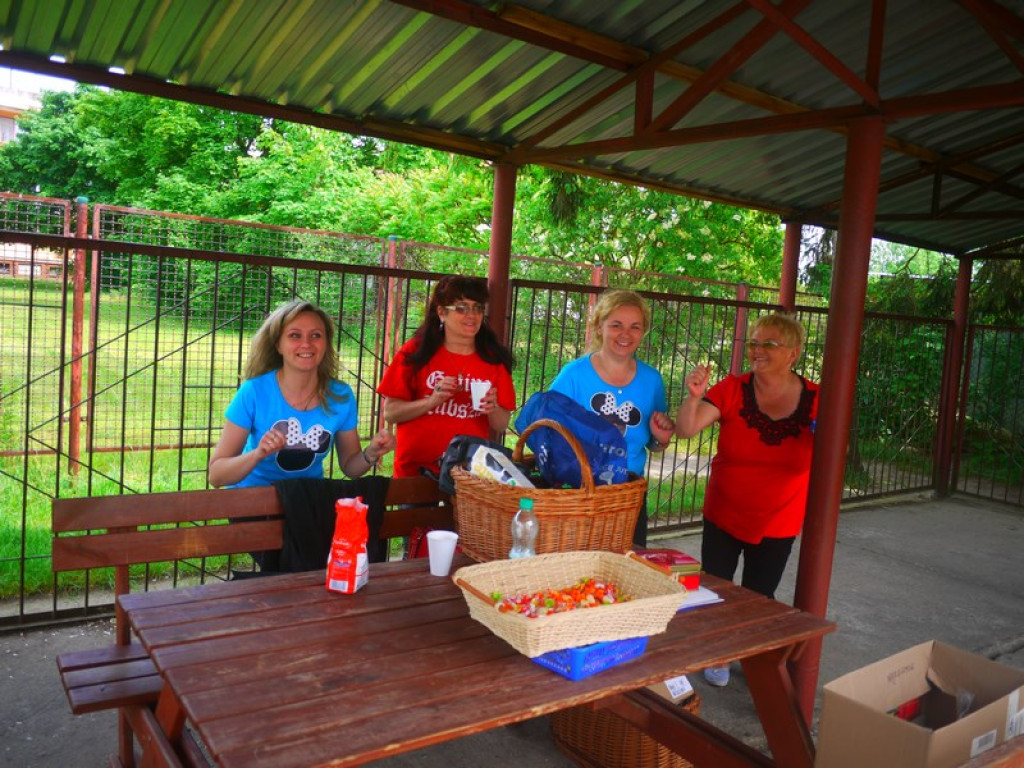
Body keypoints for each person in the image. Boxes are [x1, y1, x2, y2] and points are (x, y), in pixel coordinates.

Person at [674, 312, 818, 687]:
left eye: (769, 343)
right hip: (724, 510)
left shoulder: (818, 398)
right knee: (717, 586)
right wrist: (692, 397)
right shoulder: (734, 388)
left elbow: (836, 451)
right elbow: (687, 429)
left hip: (779, 519)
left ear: (793, 354)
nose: (757, 350)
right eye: (754, 342)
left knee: (759, 596)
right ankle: (718, 653)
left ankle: (750, 656)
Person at [208, 301, 395, 488]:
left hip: (306, 501)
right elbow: (216, 475)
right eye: (295, 335)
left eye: (316, 335)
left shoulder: (341, 395)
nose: (306, 344)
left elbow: (349, 467)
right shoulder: (254, 392)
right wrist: (258, 454)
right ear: (278, 345)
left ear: (326, 344)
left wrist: (370, 453)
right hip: (253, 504)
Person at [548, 289, 675, 547]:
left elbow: (651, 443)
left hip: (627, 499)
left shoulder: (652, 381)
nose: (625, 334)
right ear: (599, 327)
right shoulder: (573, 375)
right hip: (578, 495)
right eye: (616, 325)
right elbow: (547, 431)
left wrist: (661, 440)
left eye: (635, 327)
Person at [377, 275, 516, 479]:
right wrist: (432, 401)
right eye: (461, 307)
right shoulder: (416, 352)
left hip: (470, 473)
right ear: (441, 313)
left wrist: (492, 408)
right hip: (416, 470)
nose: (472, 315)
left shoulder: (492, 358)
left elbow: (502, 424)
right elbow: (390, 412)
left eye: (477, 308)